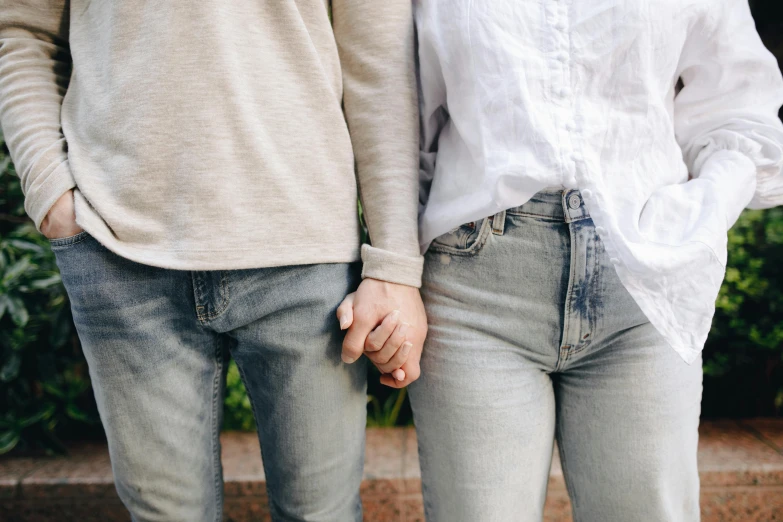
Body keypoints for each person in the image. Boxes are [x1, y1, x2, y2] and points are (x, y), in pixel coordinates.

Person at [0, 1, 426, 521]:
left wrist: (393, 264)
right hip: (120, 251)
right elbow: (21, 27)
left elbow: (378, 64)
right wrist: (50, 192)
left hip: (306, 254)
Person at [409, 1, 783, 521]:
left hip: (644, 282)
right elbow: (401, 113)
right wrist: (396, 266)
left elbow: (740, 100)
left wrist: (698, 217)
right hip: (475, 291)